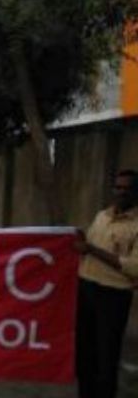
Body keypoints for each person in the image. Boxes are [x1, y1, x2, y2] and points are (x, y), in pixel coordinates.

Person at [75, 169, 138, 398]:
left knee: (106, 358)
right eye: (118, 187)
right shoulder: (102, 216)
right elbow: (86, 249)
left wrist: (91, 249)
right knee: (84, 355)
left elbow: (134, 267)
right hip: (86, 289)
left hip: (113, 296)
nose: (121, 192)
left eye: (127, 188)